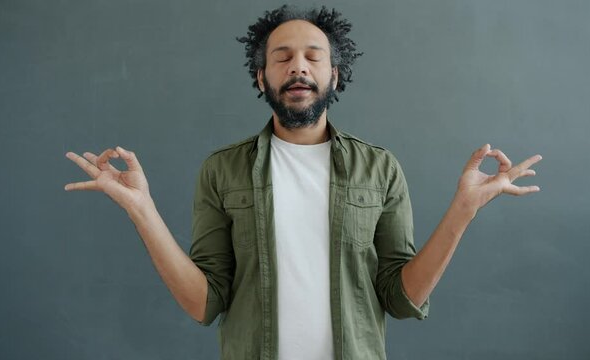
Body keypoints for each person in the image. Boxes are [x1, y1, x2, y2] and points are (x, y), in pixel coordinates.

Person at [64, 5, 542, 360]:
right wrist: (141, 209)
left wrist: (463, 210)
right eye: (282, 57)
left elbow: (401, 299)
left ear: (335, 75)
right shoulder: (221, 170)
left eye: (313, 57)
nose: (298, 66)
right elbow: (203, 304)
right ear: (261, 77)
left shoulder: (380, 169)